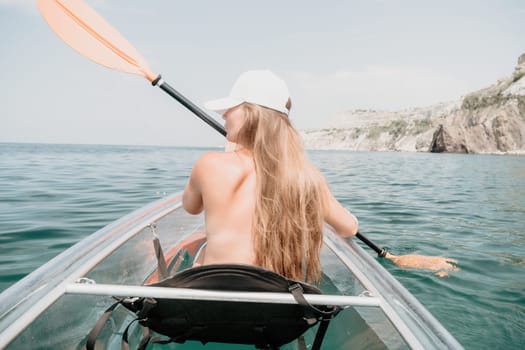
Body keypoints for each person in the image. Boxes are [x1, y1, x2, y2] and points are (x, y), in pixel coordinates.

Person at [182, 70, 358, 284]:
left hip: (215, 292)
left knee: (201, 259)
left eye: (231, 108)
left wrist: (232, 152)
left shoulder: (209, 163)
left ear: (251, 113)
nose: (224, 115)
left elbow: (191, 207)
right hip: (277, 301)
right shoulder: (306, 176)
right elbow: (349, 228)